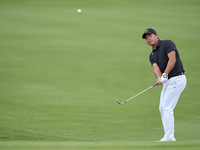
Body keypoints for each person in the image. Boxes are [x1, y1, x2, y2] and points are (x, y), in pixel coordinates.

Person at [142, 28, 187, 142]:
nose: (148, 39)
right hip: (168, 82)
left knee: (167, 107)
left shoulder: (167, 43)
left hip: (177, 79)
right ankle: (168, 136)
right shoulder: (152, 55)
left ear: (156, 35)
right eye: (146, 38)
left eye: (150, 36)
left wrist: (165, 74)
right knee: (162, 108)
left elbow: (172, 60)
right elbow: (156, 68)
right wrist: (159, 77)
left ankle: (169, 137)